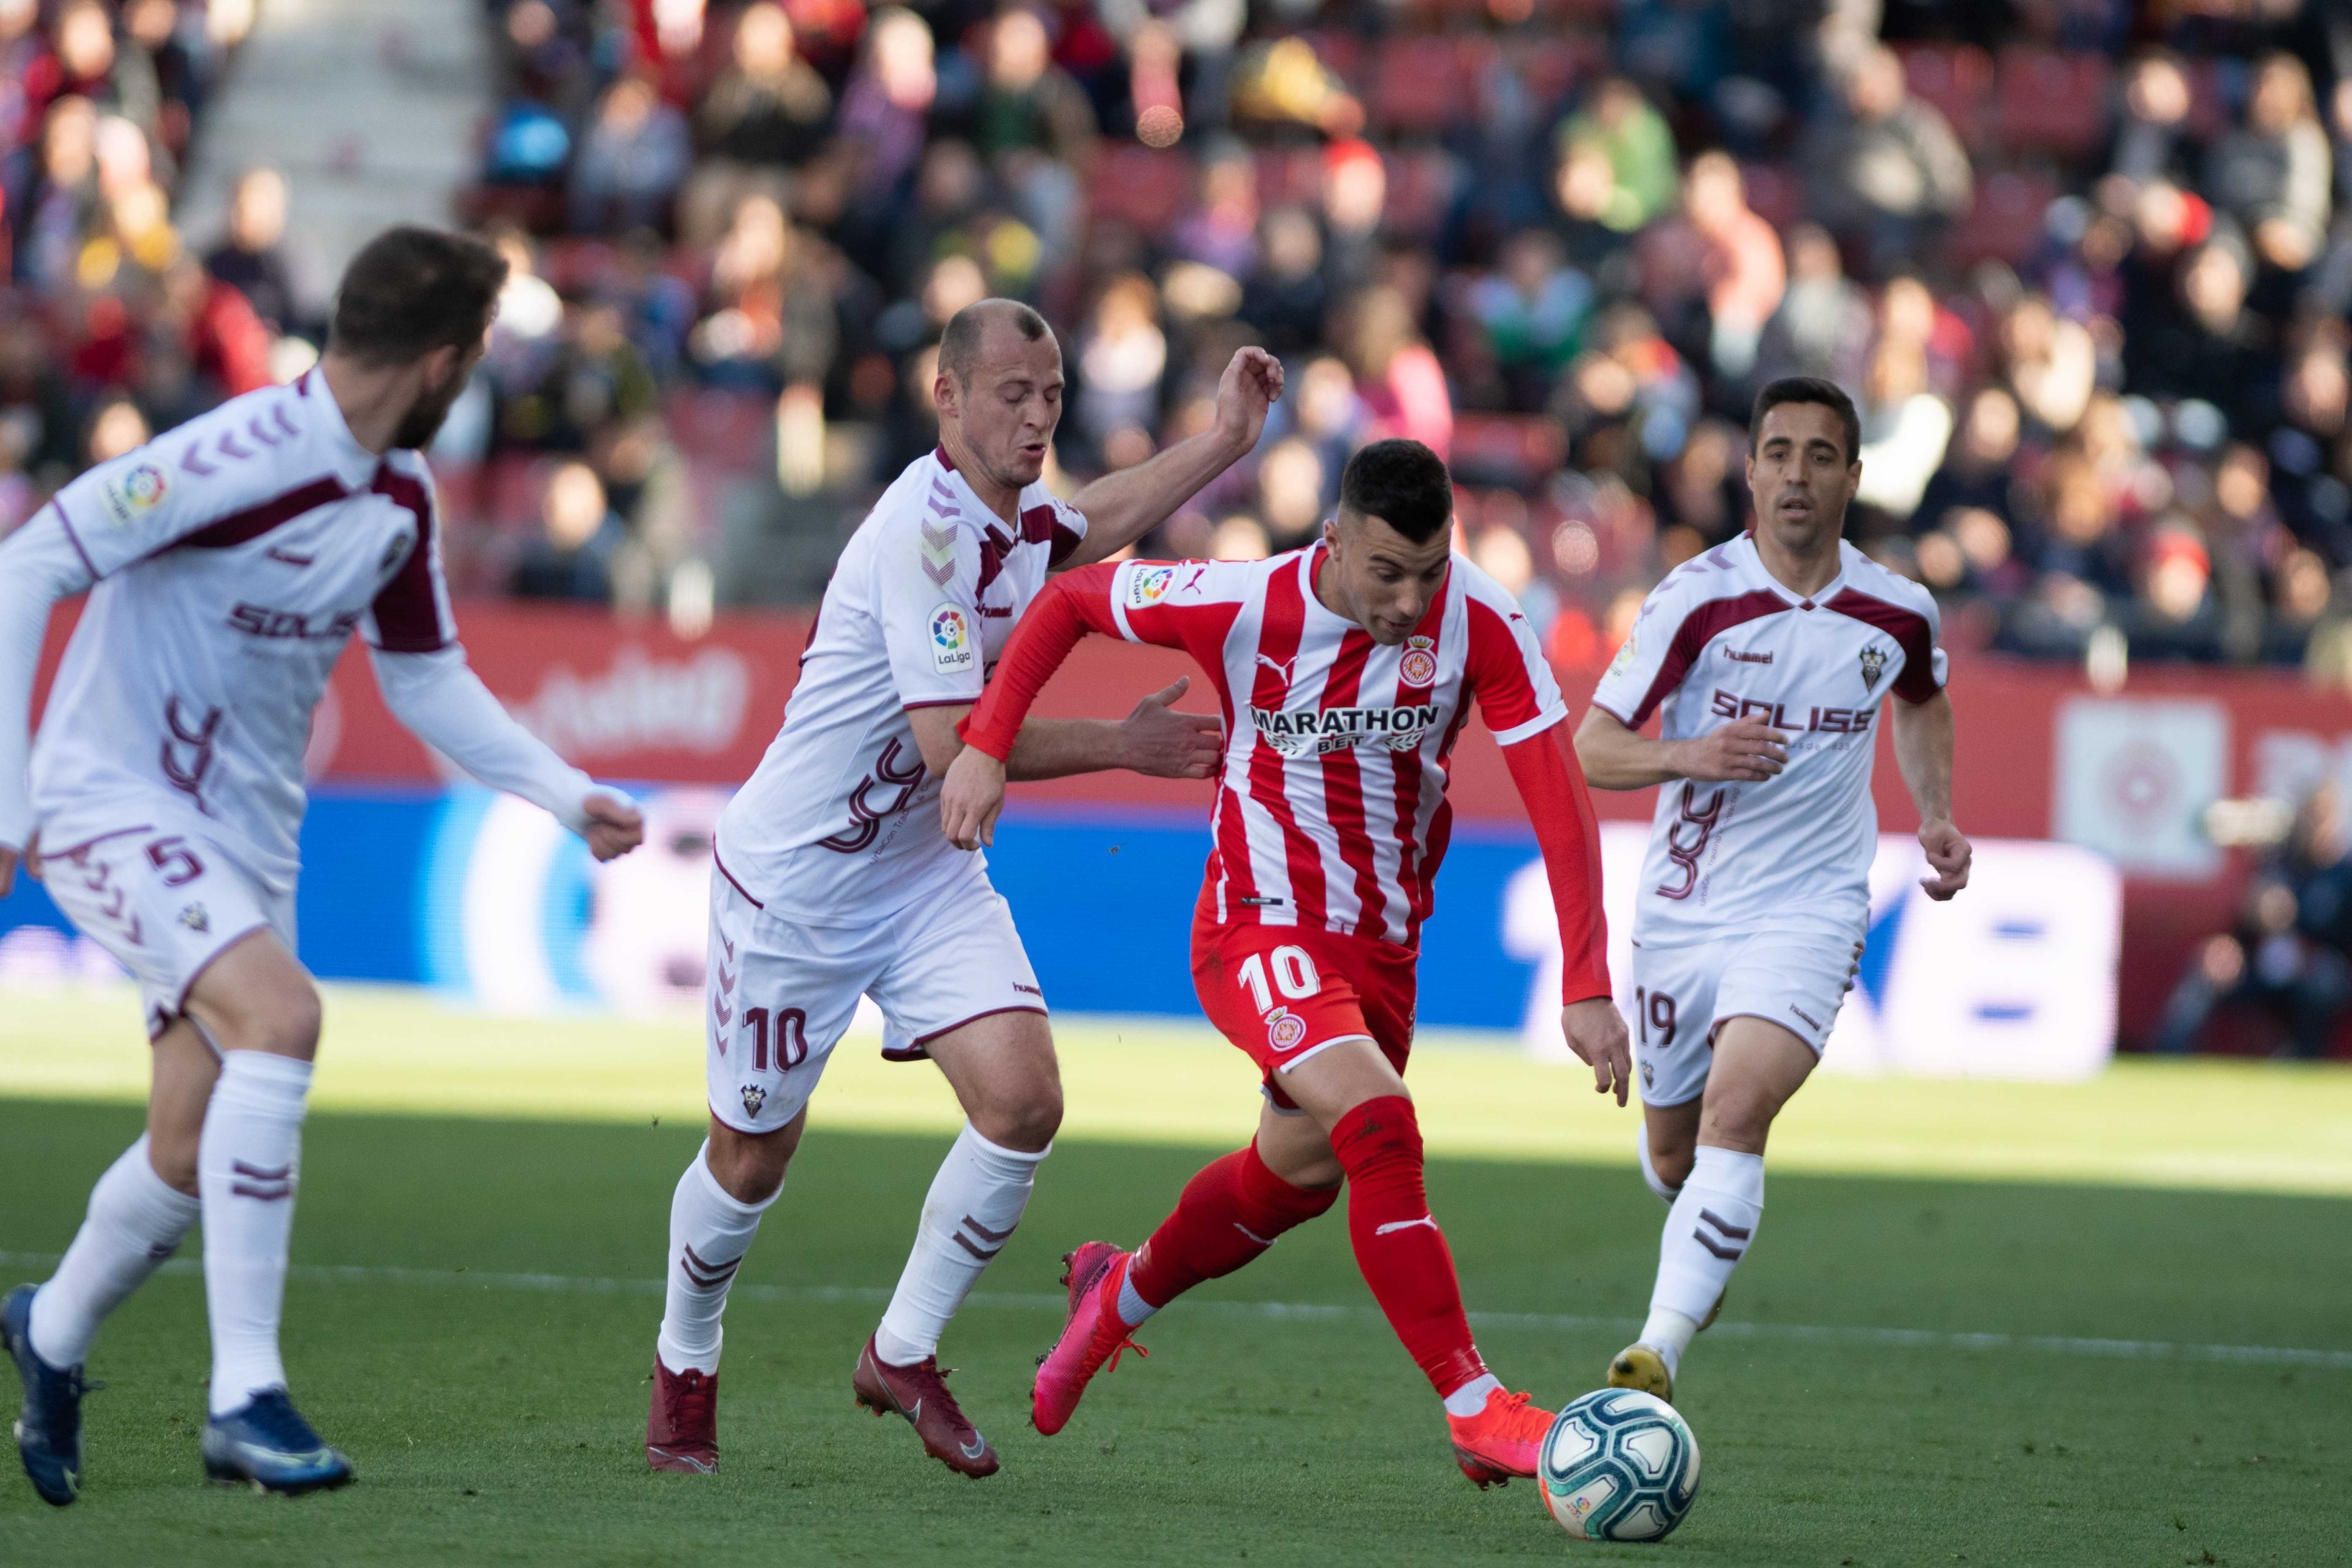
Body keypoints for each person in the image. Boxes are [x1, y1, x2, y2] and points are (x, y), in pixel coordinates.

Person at [0, 227, 647, 1503]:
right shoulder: (230, 456)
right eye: (477, 356)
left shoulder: (398, 499)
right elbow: (28, 563)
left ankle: (50, 1332)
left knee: (184, 1152)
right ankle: (246, 1395)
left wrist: (564, 794)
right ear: (444, 359)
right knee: (284, 1019)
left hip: (246, 838)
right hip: (112, 798)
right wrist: (8, 809)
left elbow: (427, 679)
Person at [643, 299, 1282, 1479]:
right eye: (1013, 397)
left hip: (922, 870)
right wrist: (1117, 746)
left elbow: (1093, 525)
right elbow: (954, 747)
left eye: (1051, 398)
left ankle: (902, 1350)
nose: (1038, 419)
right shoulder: (924, 535)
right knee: (752, 1160)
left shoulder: (1017, 511)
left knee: (1024, 1102)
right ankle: (686, 1361)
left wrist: (1225, 441)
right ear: (947, 398)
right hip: (803, 881)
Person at [938, 438, 1635, 1487]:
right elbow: (1070, 602)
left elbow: (1555, 792)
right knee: (1380, 1126)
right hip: (1257, 924)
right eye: (1385, 573)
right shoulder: (1242, 601)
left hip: (1383, 946)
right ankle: (1474, 1403)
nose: (1408, 601)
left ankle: (1111, 1296)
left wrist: (1587, 980)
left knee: (1292, 1181)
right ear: (1334, 541)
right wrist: (988, 744)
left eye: (1429, 571)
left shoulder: (1481, 618)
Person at [1572, 375, 1970, 1405]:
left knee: (1737, 1112)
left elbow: (1923, 702)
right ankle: (1701, 1222)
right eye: (1780, 452)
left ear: (1852, 476)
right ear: (1749, 472)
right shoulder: (1694, 598)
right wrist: (1694, 753)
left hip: (1815, 904)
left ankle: (1655, 1351)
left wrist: (1934, 811)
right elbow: (1596, 749)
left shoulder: (1897, 609)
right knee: (1675, 1148)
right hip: (1684, 909)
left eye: (1820, 455)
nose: (1798, 473)